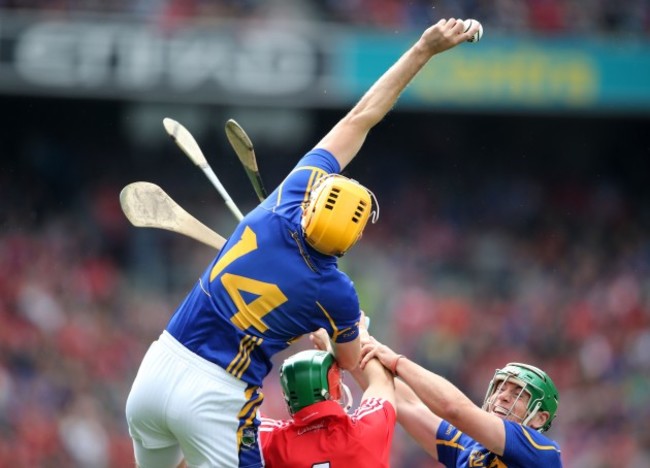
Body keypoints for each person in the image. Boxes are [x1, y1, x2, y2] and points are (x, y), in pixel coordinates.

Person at [125, 17, 482, 468]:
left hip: (156, 372)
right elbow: (351, 361)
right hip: (215, 399)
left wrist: (422, 49)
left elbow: (362, 116)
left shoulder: (287, 198)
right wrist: (342, 332)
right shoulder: (333, 290)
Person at [360, 338, 563, 467]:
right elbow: (406, 404)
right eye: (500, 388)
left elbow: (453, 409)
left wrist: (397, 362)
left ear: (539, 418)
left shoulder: (542, 453)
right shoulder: (471, 449)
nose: (503, 396)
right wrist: (354, 343)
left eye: (519, 393)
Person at [259, 325, 396, 467]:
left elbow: (239, 403)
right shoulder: (368, 430)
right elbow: (381, 380)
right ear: (335, 387)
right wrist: (356, 334)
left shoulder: (271, 441)